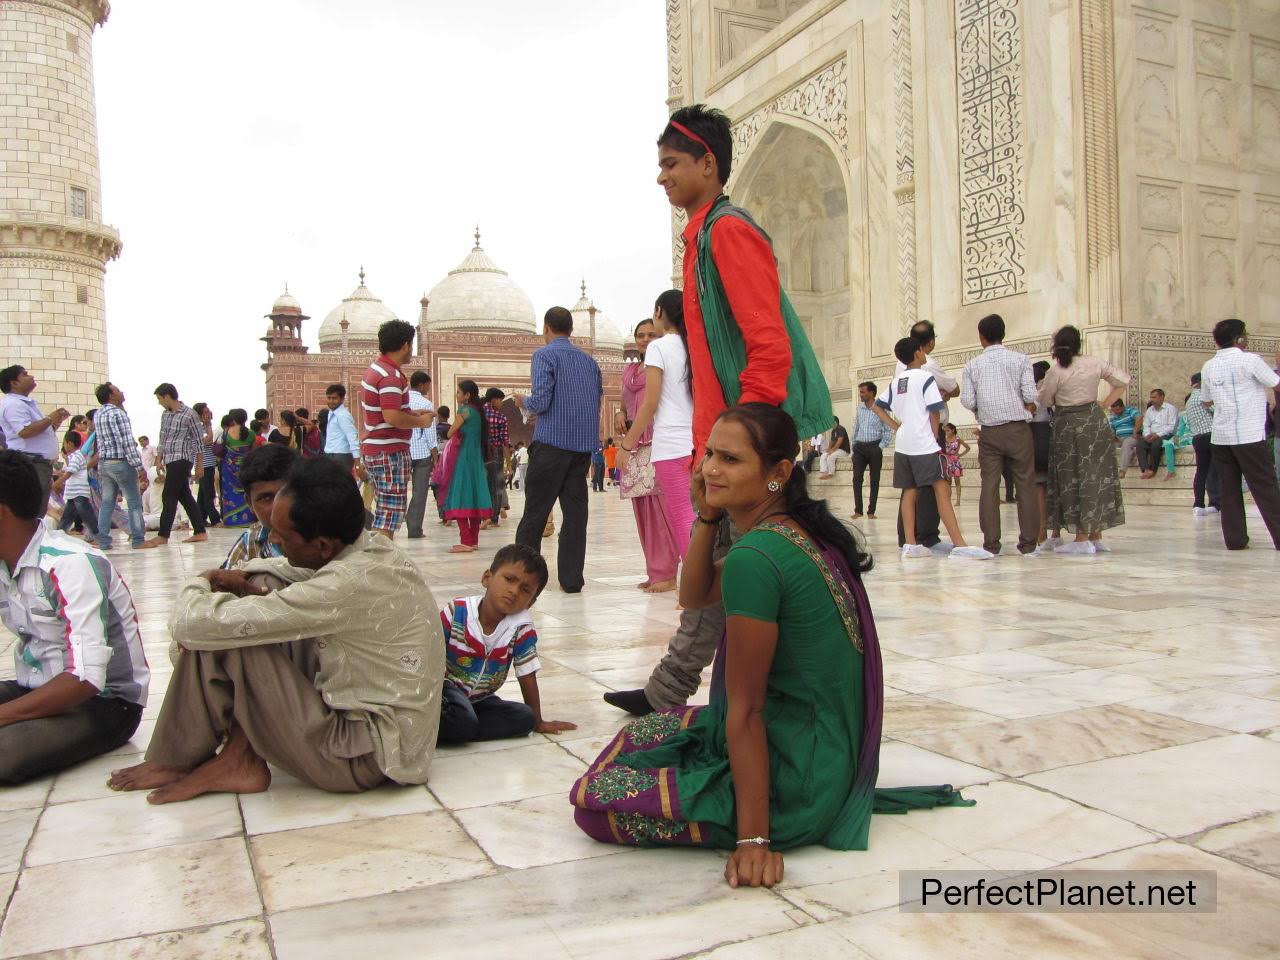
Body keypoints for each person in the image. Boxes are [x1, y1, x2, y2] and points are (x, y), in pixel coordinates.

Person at [571, 404, 971, 877]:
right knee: (638, 735)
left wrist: (754, 840)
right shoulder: (791, 531)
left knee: (594, 802)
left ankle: (755, 817)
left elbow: (747, 708)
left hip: (800, 785)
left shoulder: (757, 557)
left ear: (778, 472)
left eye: (731, 459)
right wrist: (706, 516)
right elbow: (695, 593)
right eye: (710, 454)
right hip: (826, 752)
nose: (710, 469)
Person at [603, 103, 832, 717]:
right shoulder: (702, 236)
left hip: (744, 446)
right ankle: (666, 691)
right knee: (714, 579)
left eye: (672, 164)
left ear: (709, 163)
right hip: (724, 443)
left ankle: (780, 705)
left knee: (745, 578)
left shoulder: (728, 231)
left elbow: (768, 346)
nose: (661, 177)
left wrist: (739, 450)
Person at [107, 457, 444, 804]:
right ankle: (235, 754)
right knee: (262, 583)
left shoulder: (343, 585)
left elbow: (191, 624)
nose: (272, 538)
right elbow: (282, 570)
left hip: (363, 758)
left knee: (231, 637)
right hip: (388, 742)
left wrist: (202, 581)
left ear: (323, 546)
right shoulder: (373, 548)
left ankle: (186, 759)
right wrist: (240, 577)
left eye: (282, 536)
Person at [0, 451, 147, 784]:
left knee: (3, 755)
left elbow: (85, 678)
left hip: (104, 702)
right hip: (35, 686)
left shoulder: (71, 563)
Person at [438, 544, 577, 744]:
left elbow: (526, 673)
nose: (513, 591)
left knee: (525, 718)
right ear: (487, 578)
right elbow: (428, 652)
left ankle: (462, 728)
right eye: (509, 580)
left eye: (525, 589)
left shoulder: (521, 628)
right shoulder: (457, 611)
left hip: (481, 700)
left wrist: (538, 721)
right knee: (460, 716)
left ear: (531, 602)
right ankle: (453, 726)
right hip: (446, 693)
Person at [876, 338, 992, 560]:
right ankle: (960, 544)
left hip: (904, 444)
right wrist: (932, 436)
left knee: (909, 491)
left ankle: (910, 543)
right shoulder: (925, 377)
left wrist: (896, 427)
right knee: (942, 491)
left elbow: (879, 406)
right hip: (923, 444)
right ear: (918, 352)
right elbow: (935, 411)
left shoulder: (898, 381)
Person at [514, 306, 603, 593]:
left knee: (535, 514)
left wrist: (521, 402)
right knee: (576, 517)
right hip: (581, 449)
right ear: (571, 330)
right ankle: (572, 580)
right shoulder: (590, 362)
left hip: (551, 445)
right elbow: (596, 401)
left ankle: (524, 577)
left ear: (546, 328)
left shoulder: (544, 355)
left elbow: (540, 401)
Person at [617, 289, 696, 570]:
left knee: (682, 516)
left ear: (660, 312)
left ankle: (693, 589)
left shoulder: (658, 348)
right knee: (698, 516)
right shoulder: (693, 344)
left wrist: (626, 445)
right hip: (696, 441)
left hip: (671, 443)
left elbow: (650, 403)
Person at [1037, 325, 1129, 555]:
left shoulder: (1057, 371)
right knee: (1095, 475)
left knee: (1074, 477)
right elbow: (1123, 381)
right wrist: (1105, 403)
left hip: (1069, 425)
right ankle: (1096, 534)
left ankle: (1081, 537)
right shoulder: (1095, 362)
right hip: (1095, 422)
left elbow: (1046, 400)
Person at [959, 313, 1039, 555]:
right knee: (1026, 483)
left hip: (990, 432)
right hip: (1018, 429)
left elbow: (967, 399)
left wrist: (980, 410)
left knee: (990, 486)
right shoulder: (1020, 359)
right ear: (1003, 334)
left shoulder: (973, 365)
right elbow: (1030, 395)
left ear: (981, 337)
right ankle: (1028, 542)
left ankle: (991, 543)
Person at [616, 310, 682, 593]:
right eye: (640, 336)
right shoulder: (631, 371)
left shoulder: (663, 362)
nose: (644, 340)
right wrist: (620, 412)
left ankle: (669, 572)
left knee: (662, 509)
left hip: (659, 442)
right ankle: (656, 571)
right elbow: (627, 400)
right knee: (642, 509)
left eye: (650, 335)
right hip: (637, 444)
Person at [1200, 318, 1280, 550]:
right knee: (1264, 486)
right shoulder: (1251, 360)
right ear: (1240, 338)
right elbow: (1275, 383)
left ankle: (1235, 540)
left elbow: (1205, 400)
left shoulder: (1208, 366)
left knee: (1229, 488)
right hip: (1249, 434)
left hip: (1222, 436)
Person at [359, 320, 435, 537]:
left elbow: (387, 412)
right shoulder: (390, 376)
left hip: (376, 449)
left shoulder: (376, 369)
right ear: (405, 345)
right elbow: (391, 416)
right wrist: (421, 422)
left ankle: (378, 559)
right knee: (389, 514)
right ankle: (381, 564)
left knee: (384, 511)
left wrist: (412, 414)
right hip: (388, 452)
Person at [892, 322, 958, 553]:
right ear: (929, 343)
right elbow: (954, 389)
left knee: (910, 487)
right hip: (928, 432)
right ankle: (927, 537)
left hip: (907, 431)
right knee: (931, 486)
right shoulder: (928, 365)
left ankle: (907, 538)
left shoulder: (900, 368)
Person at [141, 383, 208, 548]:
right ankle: (200, 531)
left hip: (183, 458)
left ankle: (163, 535)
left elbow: (199, 441)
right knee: (184, 495)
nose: (159, 402)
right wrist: (159, 459)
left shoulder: (189, 414)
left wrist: (200, 465)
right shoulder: (165, 415)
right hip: (170, 459)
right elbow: (163, 438)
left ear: (167, 396)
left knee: (168, 495)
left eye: (159, 399)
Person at [0, 364, 70, 512]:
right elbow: (25, 431)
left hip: (37, 463)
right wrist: (50, 418)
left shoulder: (24, 403)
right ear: (14, 383)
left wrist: (55, 422)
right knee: (32, 511)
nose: (31, 376)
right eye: (25, 374)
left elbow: (37, 432)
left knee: (37, 510)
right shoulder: (14, 404)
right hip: (31, 462)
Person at [220, 444, 296, 570]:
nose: (277, 507)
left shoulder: (323, 538)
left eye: (285, 494)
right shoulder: (251, 540)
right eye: (266, 498)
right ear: (249, 503)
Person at [92, 382, 148, 551]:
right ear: (111, 395)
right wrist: (139, 466)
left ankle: (103, 541)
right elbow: (126, 441)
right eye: (117, 390)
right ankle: (138, 539)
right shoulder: (117, 414)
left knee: (107, 503)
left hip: (105, 463)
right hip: (121, 462)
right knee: (134, 502)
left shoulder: (99, 414)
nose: (121, 391)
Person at [441, 379, 492, 553]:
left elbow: (449, 433)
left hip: (464, 458)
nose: (457, 395)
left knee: (461, 495)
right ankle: (473, 540)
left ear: (467, 395)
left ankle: (465, 540)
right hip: (476, 458)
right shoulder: (479, 412)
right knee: (474, 496)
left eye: (458, 392)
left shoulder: (464, 411)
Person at [850, 381, 892, 520]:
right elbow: (856, 428)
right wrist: (853, 448)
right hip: (860, 448)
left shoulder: (881, 409)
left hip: (875, 447)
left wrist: (880, 447)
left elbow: (887, 430)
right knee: (857, 479)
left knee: (875, 480)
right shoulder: (859, 409)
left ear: (871, 393)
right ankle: (858, 510)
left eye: (863, 392)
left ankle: (871, 511)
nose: (860, 394)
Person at [405, 372, 438, 539]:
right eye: (428, 385)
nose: (429, 388)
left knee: (398, 490)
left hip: (403, 451)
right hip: (422, 453)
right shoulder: (425, 403)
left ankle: (394, 523)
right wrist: (435, 455)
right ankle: (414, 528)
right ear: (423, 385)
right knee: (420, 492)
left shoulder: (402, 402)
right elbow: (430, 433)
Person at [1184, 373, 1219, 516]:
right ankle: (1216, 502)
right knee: (1216, 471)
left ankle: (1198, 504)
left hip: (1197, 438)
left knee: (1202, 472)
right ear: (1201, 383)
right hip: (1211, 436)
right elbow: (1217, 411)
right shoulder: (1203, 396)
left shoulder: (1189, 400)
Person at [53, 430, 98, 539]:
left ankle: (97, 535)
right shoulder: (74, 457)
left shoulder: (76, 456)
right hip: (73, 493)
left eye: (64, 443)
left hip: (79, 492)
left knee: (86, 515)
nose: (64, 446)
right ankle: (60, 533)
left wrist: (54, 485)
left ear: (70, 444)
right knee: (68, 515)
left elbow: (69, 473)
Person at [216, 409, 256, 527]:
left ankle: (230, 521)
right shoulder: (251, 433)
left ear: (232, 419)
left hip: (229, 470)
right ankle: (248, 520)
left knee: (229, 494)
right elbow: (254, 452)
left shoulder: (226, 432)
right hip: (245, 468)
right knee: (247, 492)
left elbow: (218, 451)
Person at [482, 387, 510, 529]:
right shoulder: (500, 417)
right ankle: (493, 518)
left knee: (482, 485)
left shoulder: (478, 413)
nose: (501, 404)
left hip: (480, 453)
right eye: (500, 400)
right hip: (496, 454)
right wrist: (509, 464)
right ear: (494, 399)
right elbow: (505, 442)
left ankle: (483, 516)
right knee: (496, 486)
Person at [191, 403, 222, 527]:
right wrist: (208, 425)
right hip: (204, 465)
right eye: (206, 411)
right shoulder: (198, 428)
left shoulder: (204, 427)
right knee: (209, 493)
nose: (209, 413)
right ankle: (215, 520)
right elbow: (208, 440)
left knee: (203, 494)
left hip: (208, 464)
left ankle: (201, 519)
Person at [1137, 389, 1178, 479]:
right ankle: (1146, 470)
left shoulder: (1170, 409)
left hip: (1166, 434)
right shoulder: (1149, 410)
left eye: (1154, 397)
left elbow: (1171, 427)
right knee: (1140, 444)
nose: (1152, 399)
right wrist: (1147, 435)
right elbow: (1146, 426)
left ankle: (1153, 470)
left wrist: (1158, 435)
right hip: (1151, 435)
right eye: (1151, 397)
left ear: (1162, 397)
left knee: (1156, 444)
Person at [322, 383, 360, 475]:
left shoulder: (343, 415)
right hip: (331, 454)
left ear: (342, 399)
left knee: (339, 486)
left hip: (341, 456)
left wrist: (358, 464)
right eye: (329, 398)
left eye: (334, 398)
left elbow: (352, 438)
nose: (331, 401)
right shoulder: (332, 413)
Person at [1108, 398, 1141, 477]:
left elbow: (1139, 418)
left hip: (1133, 437)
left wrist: (1135, 431)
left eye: (1118, 409)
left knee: (1127, 443)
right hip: (1119, 439)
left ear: (1122, 406)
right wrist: (1113, 436)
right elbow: (1111, 429)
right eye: (1114, 410)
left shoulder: (1130, 410)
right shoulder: (1113, 417)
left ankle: (1122, 470)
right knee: (1106, 445)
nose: (1116, 412)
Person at [942, 423, 969, 504]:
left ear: (953, 430)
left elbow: (968, 448)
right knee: (948, 482)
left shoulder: (958, 439)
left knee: (957, 481)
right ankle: (948, 499)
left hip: (955, 461)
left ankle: (958, 500)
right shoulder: (944, 439)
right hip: (947, 461)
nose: (946, 432)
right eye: (945, 431)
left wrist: (960, 455)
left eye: (948, 430)